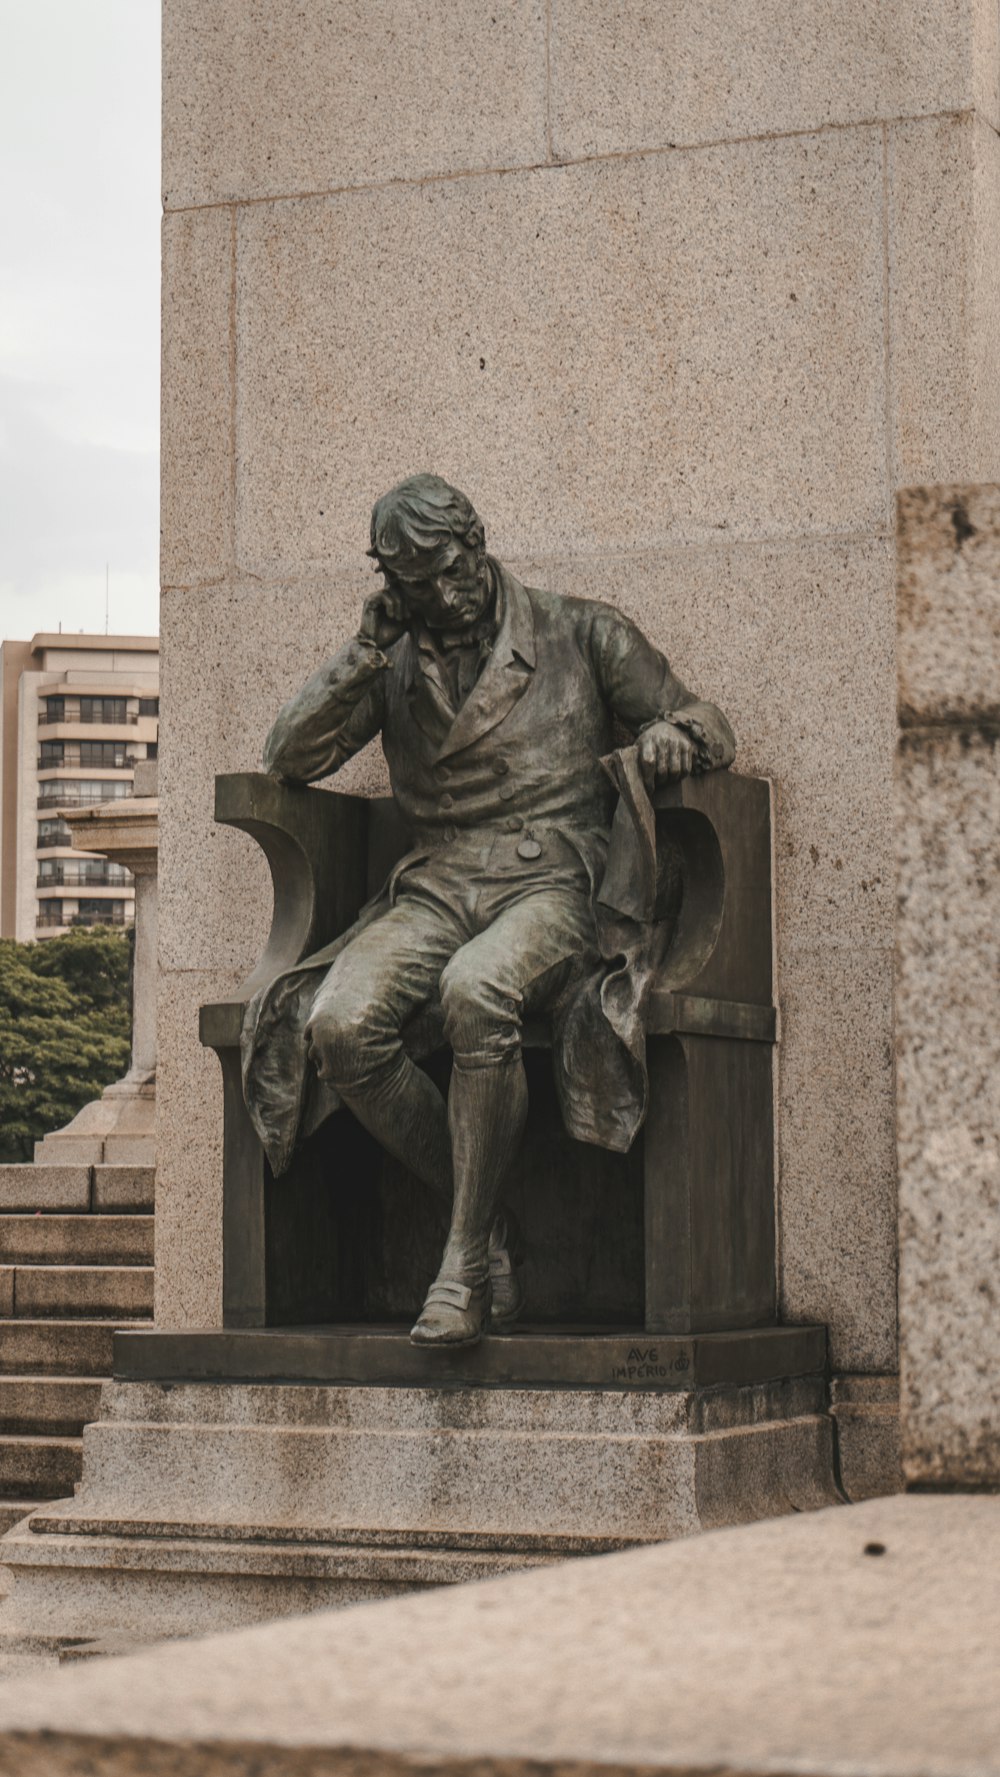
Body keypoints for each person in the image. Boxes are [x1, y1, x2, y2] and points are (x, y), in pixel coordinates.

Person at [250, 474, 735, 1347]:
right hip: (435, 886)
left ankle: (463, 1264)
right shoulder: (391, 655)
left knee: (477, 990)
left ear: (477, 540)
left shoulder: (580, 630)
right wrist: (362, 652)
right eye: (422, 580)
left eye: (454, 563)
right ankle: (484, 1215)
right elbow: (288, 756)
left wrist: (675, 736)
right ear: (393, 585)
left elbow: (706, 718)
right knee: (337, 1024)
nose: (448, 589)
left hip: (553, 882)